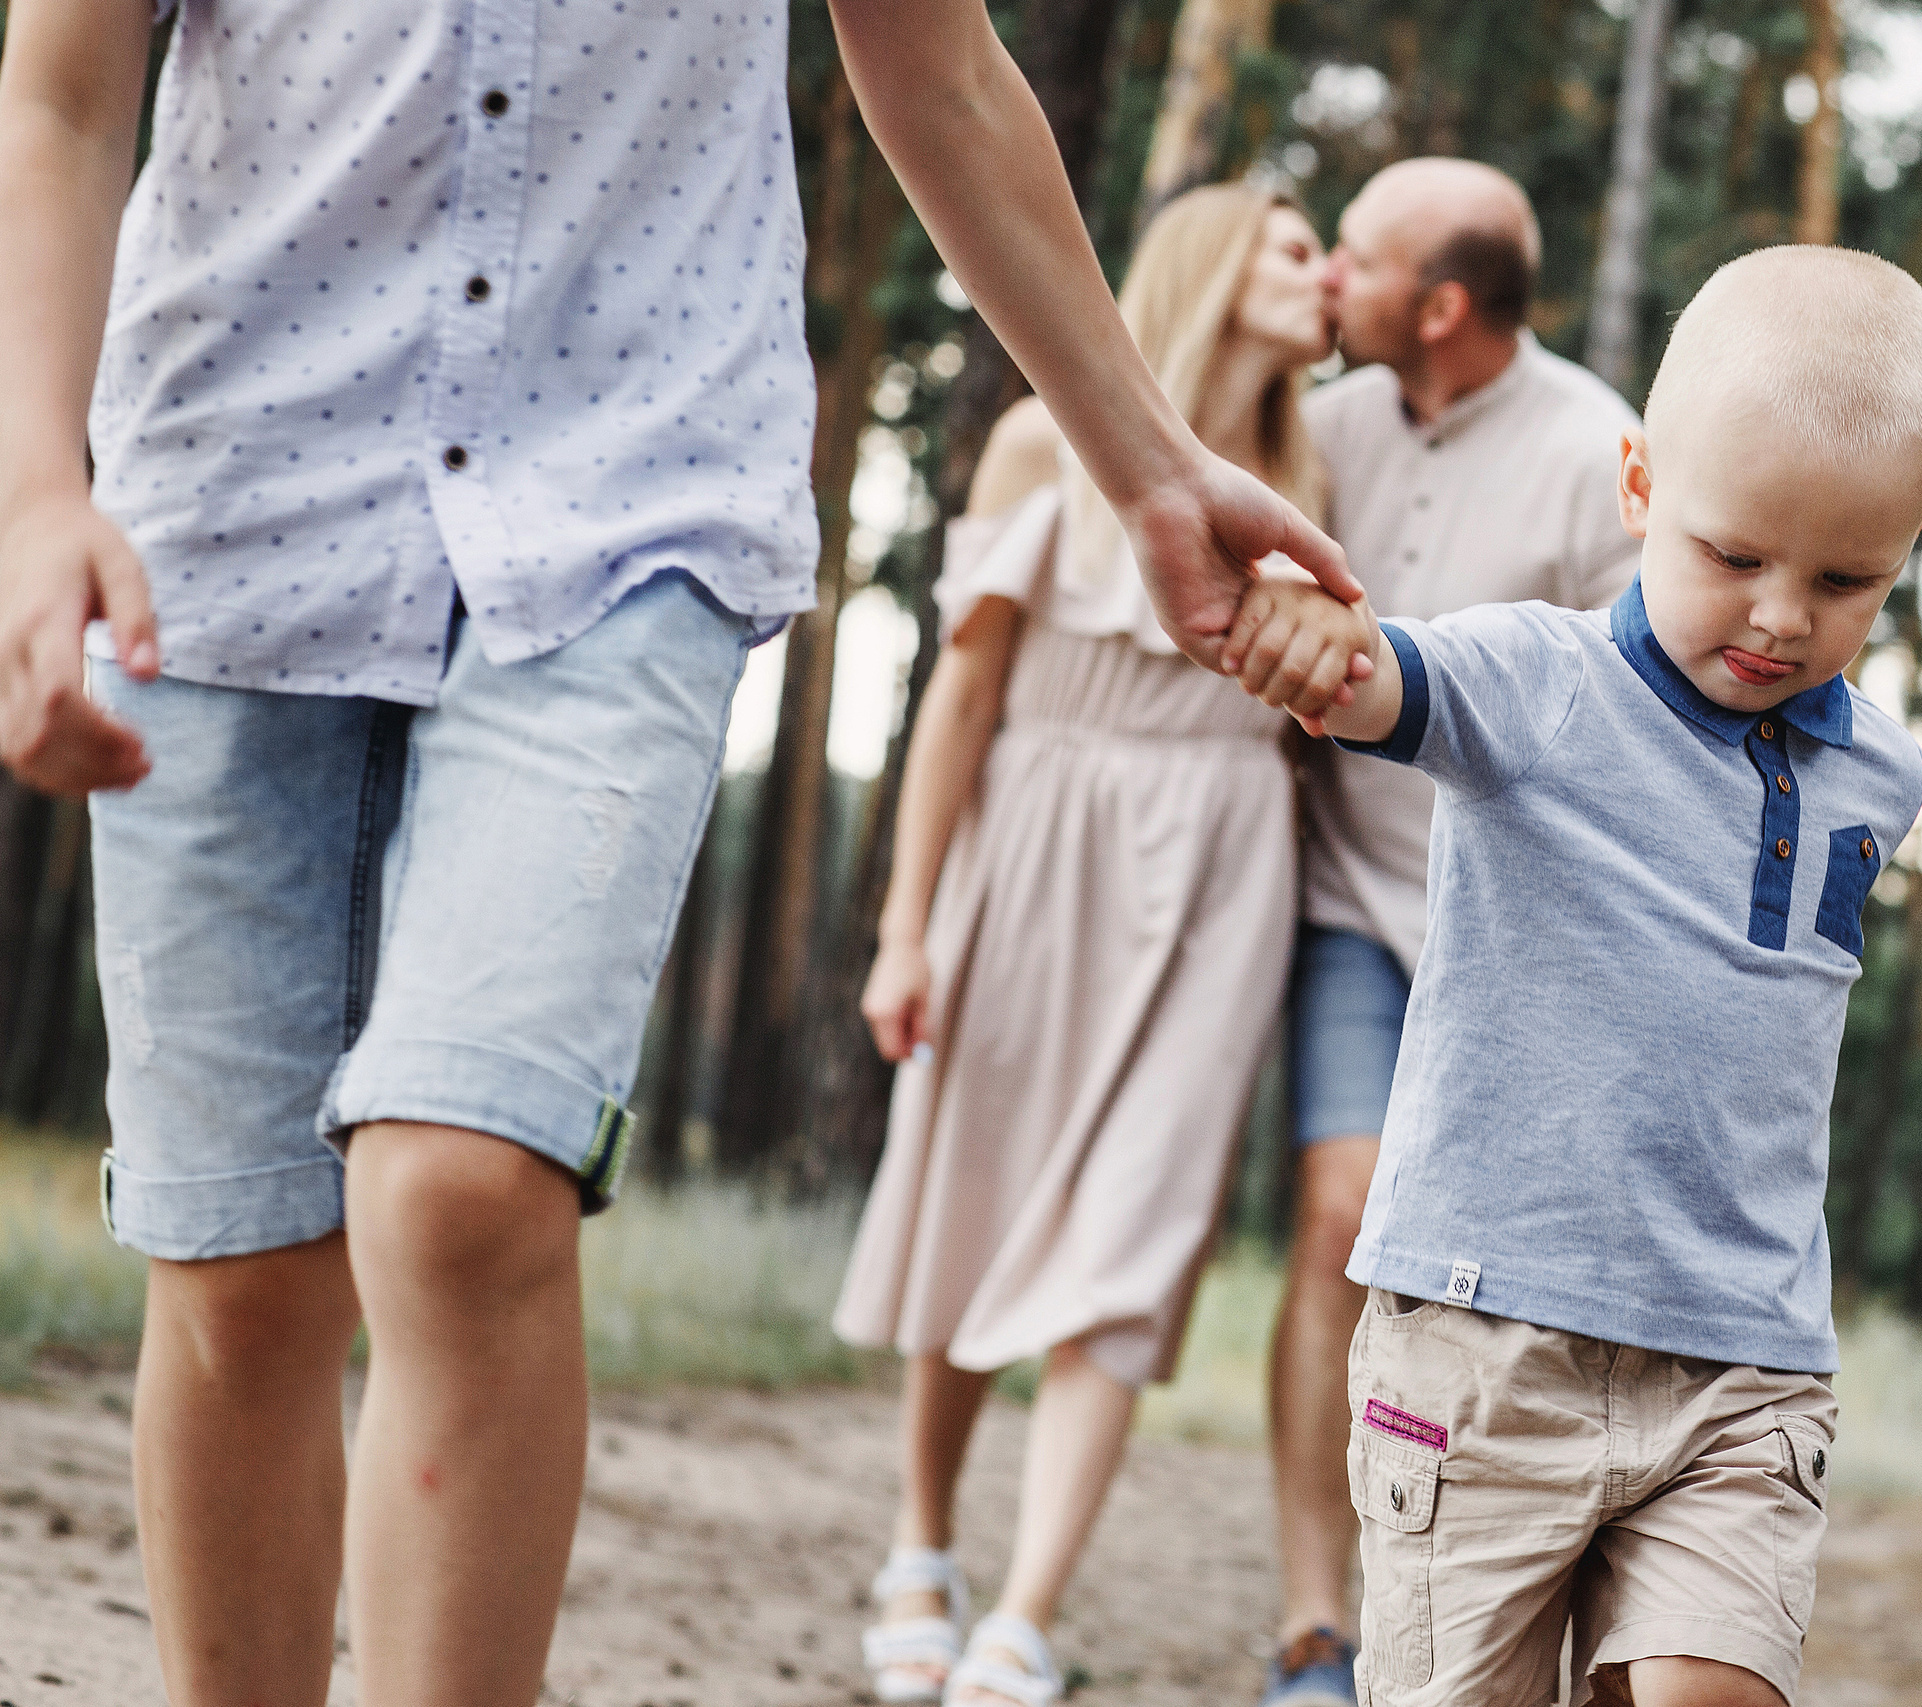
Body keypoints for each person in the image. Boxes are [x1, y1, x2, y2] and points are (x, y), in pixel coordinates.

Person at [0, 6, 1355, 1705]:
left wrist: (1146, 467)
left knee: (461, 1186)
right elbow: (61, 88)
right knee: (241, 1272)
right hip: (220, 503)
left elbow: (932, 63)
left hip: (625, 498)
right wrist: (35, 493)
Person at [1220, 246, 1922, 1707]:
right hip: (1493, 1348)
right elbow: (1385, 682)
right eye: (1735, 556)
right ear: (1637, 490)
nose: (1780, 618)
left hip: (1740, 1361)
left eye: (1845, 578)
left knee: (1709, 1692)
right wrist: (1313, 644)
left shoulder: (1879, 772)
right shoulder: (1538, 684)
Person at [831, 184, 1360, 1707]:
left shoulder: (1310, 473)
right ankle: (921, 1546)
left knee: (1135, 1237)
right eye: (1295, 244)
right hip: (1040, 831)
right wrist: (904, 926)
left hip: (1220, 870)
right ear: (1208, 263)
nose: (1324, 275)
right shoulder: (1035, 444)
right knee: (972, 1192)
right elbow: (963, 698)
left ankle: (1028, 1611)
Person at [1262, 157, 1642, 1707]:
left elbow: (1641, 715)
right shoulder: (1322, 428)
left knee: (1515, 1295)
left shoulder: (1595, 449)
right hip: (1345, 903)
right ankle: (1310, 1630)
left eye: (1350, 257)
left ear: (1439, 305)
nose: (1326, 281)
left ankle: (1503, 1620)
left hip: (1522, 945)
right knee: (1339, 1219)